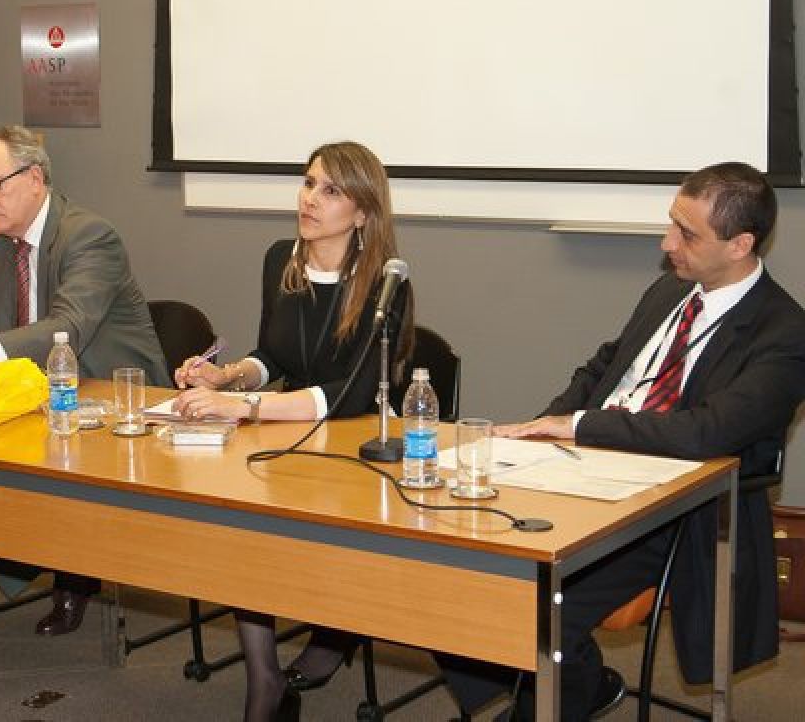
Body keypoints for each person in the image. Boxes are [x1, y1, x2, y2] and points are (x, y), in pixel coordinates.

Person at [438, 162, 805, 721]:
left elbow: (708, 432)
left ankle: (554, 698)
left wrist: (580, 427)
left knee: (534, 606)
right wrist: (543, 427)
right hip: (576, 467)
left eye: (686, 233)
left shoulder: (785, 331)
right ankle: (580, 685)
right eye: (671, 224)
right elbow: (604, 368)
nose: (667, 243)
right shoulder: (669, 291)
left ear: (740, 245)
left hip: (669, 505)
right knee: (444, 559)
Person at [172, 141, 413, 722]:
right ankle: (266, 680)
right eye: (308, 184)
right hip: (286, 432)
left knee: (309, 527)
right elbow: (272, 355)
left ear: (362, 212)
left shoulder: (386, 283)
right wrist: (228, 376)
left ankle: (336, 626)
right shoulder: (280, 258)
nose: (310, 199)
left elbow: (353, 393)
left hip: (355, 447)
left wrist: (246, 408)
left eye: (331, 190)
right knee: (240, 524)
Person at [0, 124, 168, 635]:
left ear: (35, 178)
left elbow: (67, 328)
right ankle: (27, 556)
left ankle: (74, 572)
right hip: (35, 392)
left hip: (113, 400)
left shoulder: (89, 235)